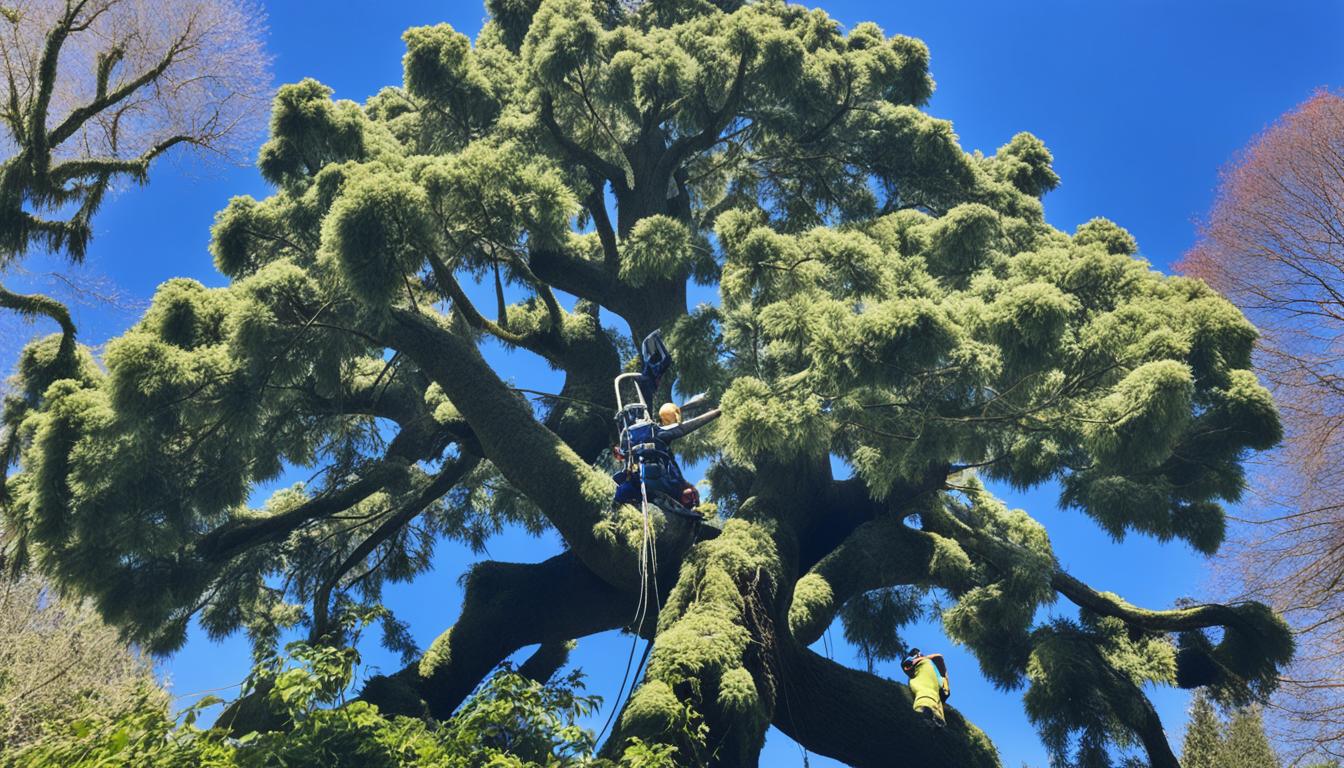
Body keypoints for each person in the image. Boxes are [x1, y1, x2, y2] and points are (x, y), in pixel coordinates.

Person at [611, 330, 720, 517]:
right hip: (645, 478)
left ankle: (652, 360)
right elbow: (687, 427)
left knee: (624, 491)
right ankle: (653, 359)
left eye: (691, 499)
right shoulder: (659, 434)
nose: (692, 498)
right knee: (625, 491)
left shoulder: (653, 434)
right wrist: (717, 412)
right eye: (693, 497)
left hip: (643, 480)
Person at [901, 648, 950, 728]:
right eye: (918, 655)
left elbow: (939, 657)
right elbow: (905, 665)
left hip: (937, 698)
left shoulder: (930, 664)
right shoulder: (921, 664)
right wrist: (922, 658)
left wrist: (945, 679)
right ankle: (924, 713)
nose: (921, 655)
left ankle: (938, 721)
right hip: (925, 700)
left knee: (936, 702)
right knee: (926, 696)